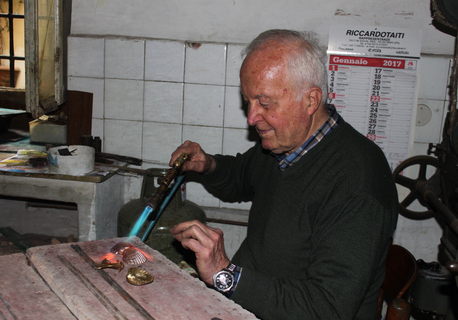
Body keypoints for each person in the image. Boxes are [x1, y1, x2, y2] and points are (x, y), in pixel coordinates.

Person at [169, 29, 398, 319]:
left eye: (265, 103)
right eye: (248, 101)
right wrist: (208, 164)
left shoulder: (358, 183)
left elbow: (327, 308)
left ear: (311, 100)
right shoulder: (282, 143)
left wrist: (224, 274)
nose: (252, 118)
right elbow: (241, 176)